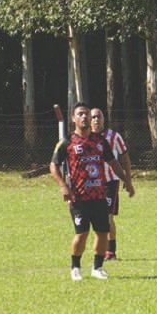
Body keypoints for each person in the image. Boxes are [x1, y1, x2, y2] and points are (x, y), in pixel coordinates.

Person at [49, 102, 135, 281]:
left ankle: (97, 267)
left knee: (103, 232)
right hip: (78, 198)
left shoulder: (100, 141)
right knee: (82, 233)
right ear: (73, 118)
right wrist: (63, 186)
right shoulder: (67, 142)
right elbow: (53, 165)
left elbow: (113, 163)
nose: (85, 117)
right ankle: (75, 267)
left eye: (86, 114)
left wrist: (127, 180)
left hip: (99, 196)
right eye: (80, 114)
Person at [90, 108, 133, 261]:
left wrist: (128, 180)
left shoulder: (114, 137)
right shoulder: (84, 138)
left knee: (107, 217)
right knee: (95, 218)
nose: (96, 120)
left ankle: (110, 252)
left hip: (110, 183)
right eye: (93, 117)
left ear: (103, 119)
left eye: (98, 117)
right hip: (92, 184)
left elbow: (125, 158)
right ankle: (101, 250)